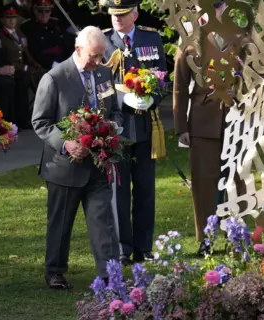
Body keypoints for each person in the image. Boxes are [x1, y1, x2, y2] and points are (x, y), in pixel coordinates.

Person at [32, 26, 122, 289]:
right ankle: (55, 272)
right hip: (64, 166)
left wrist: (111, 129)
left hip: (98, 162)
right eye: (93, 56)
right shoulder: (54, 78)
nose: (98, 62)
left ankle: (110, 273)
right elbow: (41, 122)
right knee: (60, 222)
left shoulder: (105, 73)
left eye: (101, 55)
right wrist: (66, 143)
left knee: (102, 219)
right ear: (78, 49)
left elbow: (115, 111)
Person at [173, 0, 246, 256]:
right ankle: (205, 239)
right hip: (202, 123)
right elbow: (180, 87)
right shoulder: (189, 41)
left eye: (216, 7)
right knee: (204, 184)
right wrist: (181, 126)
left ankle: (237, 235)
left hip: (236, 119)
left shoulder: (240, 37)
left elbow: (252, 78)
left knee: (237, 180)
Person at [103, 0, 167, 265]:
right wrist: (121, 102)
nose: (118, 19)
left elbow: (162, 78)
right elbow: (97, 84)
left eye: (124, 14)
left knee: (144, 189)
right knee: (118, 192)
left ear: (135, 14)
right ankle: (122, 249)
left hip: (144, 126)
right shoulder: (103, 41)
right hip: (116, 128)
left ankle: (144, 247)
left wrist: (152, 98)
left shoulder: (151, 39)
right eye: (114, 15)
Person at [0, 3, 44, 129]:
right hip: (13, 70)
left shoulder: (20, 33)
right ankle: (22, 119)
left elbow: (26, 53)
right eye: (8, 17)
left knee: (40, 75)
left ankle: (36, 114)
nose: (12, 20)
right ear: (3, 20)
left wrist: (34, 64)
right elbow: (5, 57)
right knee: (25, 81)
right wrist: (24, 67)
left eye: (14, 17)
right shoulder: (1, 35)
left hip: (23, 69)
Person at [20, 0, 75, 70]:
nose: (44, 14)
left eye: (47, 11)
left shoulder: (56, 24)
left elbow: (67, 44)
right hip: (45, 67)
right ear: (34, 11)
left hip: (64, 63)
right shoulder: (28, 27)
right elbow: (34, 52)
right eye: (40, 11)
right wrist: (52, 64)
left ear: (51, 12)